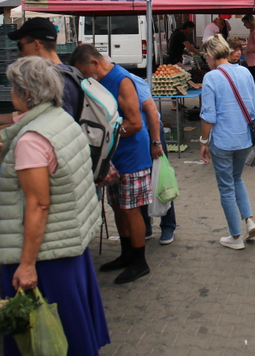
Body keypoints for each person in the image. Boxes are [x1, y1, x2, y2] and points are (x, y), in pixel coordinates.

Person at [0, 56, 108, 356]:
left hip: (46, 255)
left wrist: (26, 265)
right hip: (68, 244)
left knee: (45, 329)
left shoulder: (32, 139)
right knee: (69, 324)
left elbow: (39, 204)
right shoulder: (60, 119)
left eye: (13, 87)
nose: (10, 92)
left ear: (25, 94)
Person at [70, 44, 152, 284]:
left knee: (131, 209)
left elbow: (135, 123)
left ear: (95, 63)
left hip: (131, 156)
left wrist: (105, 137)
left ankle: (140, 261)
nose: (83, 77)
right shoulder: (98, 82)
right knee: (117, 206)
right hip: (112, 157)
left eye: (84, 71)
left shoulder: (122, 80)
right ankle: (126, 254)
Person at [199, 35, 255, 250]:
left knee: (226, 186)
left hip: (223, 142)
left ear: (211, 55)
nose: (206, 60)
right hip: (245, 138)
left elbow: (209, 116)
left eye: (206, 56)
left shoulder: (211, 77)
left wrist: (203, 141)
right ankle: (249, 219)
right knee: (237, 178)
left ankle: (235, 237)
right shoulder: (245, 72)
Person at [0, 17, 81, 129]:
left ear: (36, 45)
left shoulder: (56, 82)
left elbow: (59, 130)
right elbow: (35, 115)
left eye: (20, 45)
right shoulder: (67, 73)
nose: (20, 52)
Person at [126, 71, 177, 246]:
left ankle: (168, 225)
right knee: (140, 180)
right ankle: (145, 225)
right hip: (135, 137)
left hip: (151, 132)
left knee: (161, 176)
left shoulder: (130, 80)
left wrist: (156, 142)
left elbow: (152, 112)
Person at [241, 14, 255, 100]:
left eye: (245, 23)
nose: (244, 25)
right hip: (251, 62)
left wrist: (247, 51)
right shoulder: (253, 31)